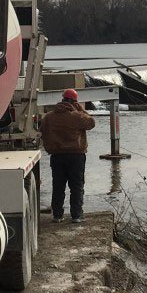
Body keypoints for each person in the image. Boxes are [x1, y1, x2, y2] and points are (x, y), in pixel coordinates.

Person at [41, 88, 96, 223]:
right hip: (76, 156)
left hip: (57, 156)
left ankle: (57, 215)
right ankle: (76, 215)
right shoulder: (77, 116)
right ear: (74, 102)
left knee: (58, 186)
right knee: (76, 186)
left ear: (62, 100)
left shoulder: (49, 117)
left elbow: (42, 130)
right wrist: (81, 110)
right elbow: (91, 123)